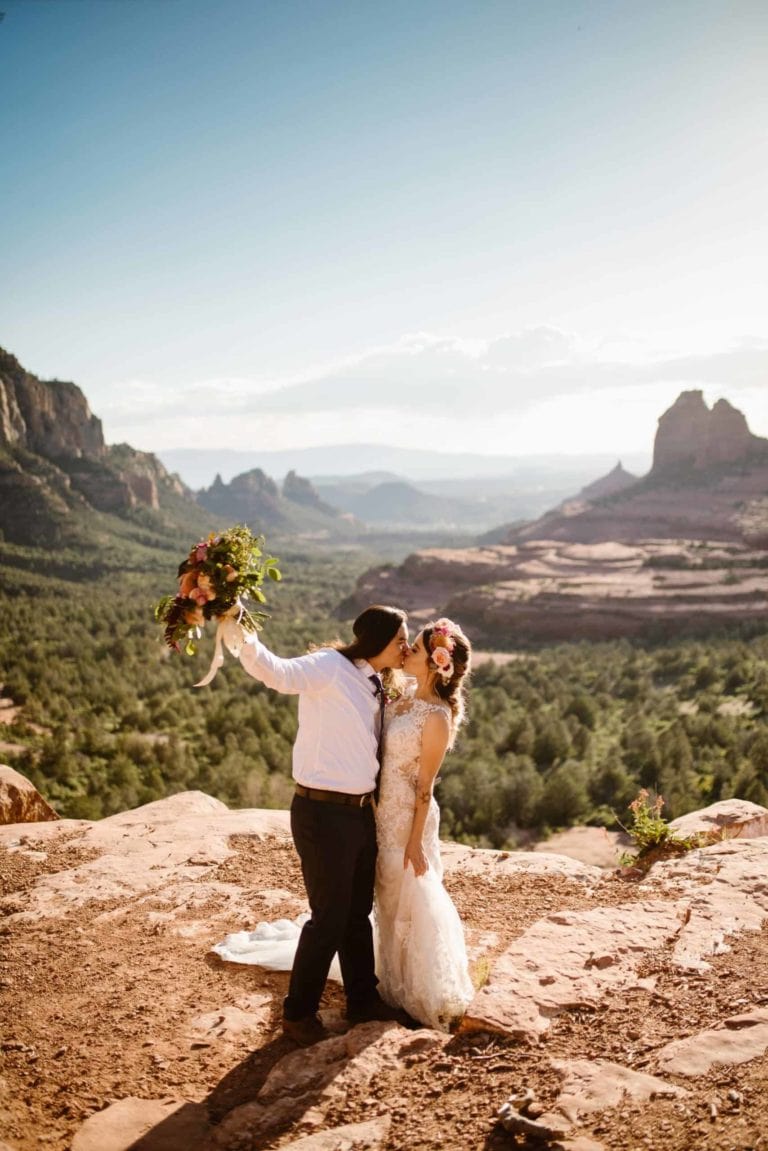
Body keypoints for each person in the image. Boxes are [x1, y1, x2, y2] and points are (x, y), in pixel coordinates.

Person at [229, 604, 409, 1047]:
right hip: (323, 813)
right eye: (401, 639)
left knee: (355, 914)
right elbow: (276, 672)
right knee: (328, 917)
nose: (406, 646)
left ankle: (362, 1000)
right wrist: (237, 622)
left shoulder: (376, 682)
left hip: (360, 812)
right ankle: (298, 1014)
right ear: (378, 640)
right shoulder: (330, 666)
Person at [373, 617, 475, 1031]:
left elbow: (425, 788)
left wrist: (415, 841)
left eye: (414, 648)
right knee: (387, 890)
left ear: (436, 662)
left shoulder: (436, 717)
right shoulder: (405, 696)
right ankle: (388, 974)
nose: (407, 653)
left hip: (408, 819)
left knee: (410, 888)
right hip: (383, 811)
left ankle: (417, 985)